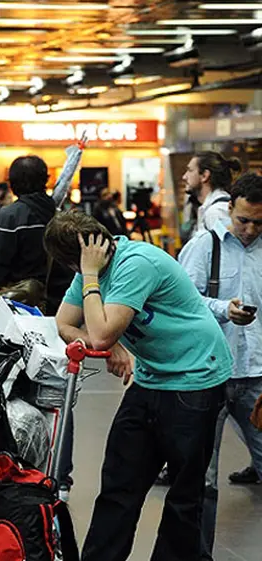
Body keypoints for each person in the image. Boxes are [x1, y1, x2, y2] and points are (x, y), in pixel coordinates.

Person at [45, 210, 232, 561]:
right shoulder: (88, 269)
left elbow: (100, 333)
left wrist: (91, 281)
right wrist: (110, 342)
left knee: (184, 493)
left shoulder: (135, 264)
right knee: (119, 484)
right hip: (150, 377)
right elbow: (64, 323)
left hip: (194, 377)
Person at [177, 172, 262, 558]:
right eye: (244, 220)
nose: (250, 230)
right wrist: (223, 309)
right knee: (202, 477)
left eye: (259, 222)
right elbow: (182, 301)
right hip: (209, 376)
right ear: (230, 208)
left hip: (257, 378)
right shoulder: (203, 247)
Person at [0, 156, 72, 345]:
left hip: (20, 313)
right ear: (45, 180)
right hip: (61, 314)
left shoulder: (9, 218)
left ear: (12, 184)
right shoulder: (63, 217)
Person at [182, 151, 243, 236]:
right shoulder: (209, 208)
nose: (184, 177)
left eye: (190, 170)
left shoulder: (216, 212)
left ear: (204, 176)